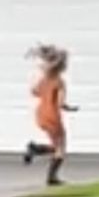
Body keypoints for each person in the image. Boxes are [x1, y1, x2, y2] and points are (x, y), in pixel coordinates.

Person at [23, 44, 78, 186]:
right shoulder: (59, 82)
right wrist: (69, 108)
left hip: (41, 113)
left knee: (56, 146)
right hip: (52, 115)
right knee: (60, 148)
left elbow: (34, 92)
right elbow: (60, 103)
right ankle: (51, 177)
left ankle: (36, 150)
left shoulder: (43, 80)